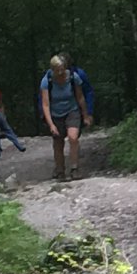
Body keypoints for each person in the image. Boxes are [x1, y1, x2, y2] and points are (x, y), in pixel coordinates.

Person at [39, 55, 95, 183]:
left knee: (73, 137)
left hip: (72, 111)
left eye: (62, 69)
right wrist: (51, 124)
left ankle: (74, 168)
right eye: (57, 70)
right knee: (58, 142)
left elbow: (80, 97)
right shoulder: (46, 81)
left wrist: (86, 115)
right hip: (55, 113)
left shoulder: (73, 77)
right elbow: (45, 104)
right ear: (52, 69)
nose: (60, 72)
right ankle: (60, 170)